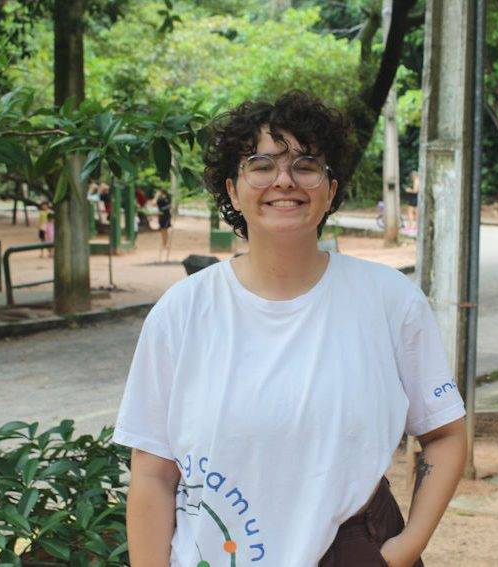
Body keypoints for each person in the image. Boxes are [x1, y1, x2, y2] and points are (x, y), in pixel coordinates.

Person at [113, 91, 467, 567]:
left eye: (306, 165)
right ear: (233, 191)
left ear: (331, 190)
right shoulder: (182, 312)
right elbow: (153, 474)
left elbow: (445, 434)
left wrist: (405, 549)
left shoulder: (389, 301)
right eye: (261, 165)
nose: (284, 180)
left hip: (353, 551)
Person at [405, 171, 419, 237]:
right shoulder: (420, 180)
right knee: (416, 212)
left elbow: (415, 191)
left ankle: (411, 226)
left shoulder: (416, 181)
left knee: (410, 212)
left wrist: (409, 190)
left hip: (413, 198)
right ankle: (416, 226)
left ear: (413, 176)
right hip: (417, 198)